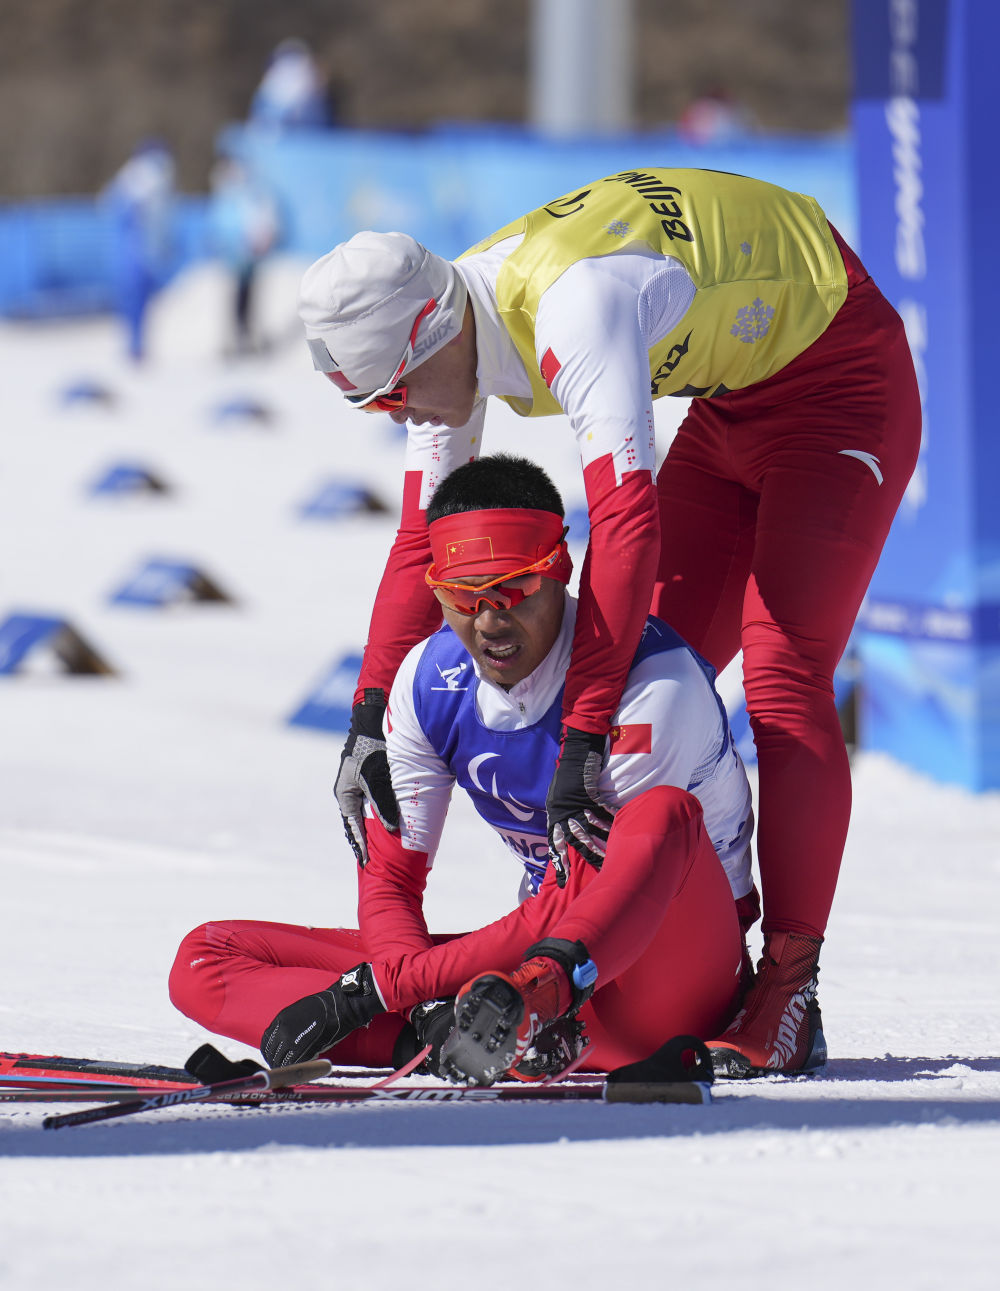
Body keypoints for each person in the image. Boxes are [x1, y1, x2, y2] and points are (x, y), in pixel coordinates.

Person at [169, 454, 761, 1085]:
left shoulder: (652, 686)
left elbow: (590, 894)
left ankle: (525, 1022)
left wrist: (375, 991)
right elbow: (390, 882)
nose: (489, 623)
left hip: (666, 967)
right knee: (209, 957)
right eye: (461, 596)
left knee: (660, 814)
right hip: (532, 959)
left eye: (515, 589)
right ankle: (450, 1038)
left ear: (559, 571)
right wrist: (415, 998)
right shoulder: (429, 680)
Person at [101, 137, 176, 362]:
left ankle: (136, 346)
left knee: (137, 301)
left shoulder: (142, 178)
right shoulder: (143, 178)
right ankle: (135, 346)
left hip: (140, 252)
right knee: (135, 301)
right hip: (139, 252)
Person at [208, 152, 282, 355]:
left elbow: (263, 220)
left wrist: (261, 241)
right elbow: (220, 222)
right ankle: (236, 338)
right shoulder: (227, 192)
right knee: (235, 298)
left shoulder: (251, 192)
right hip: (233, 254)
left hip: (248, 253)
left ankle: (248, 337)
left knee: (247, 296)